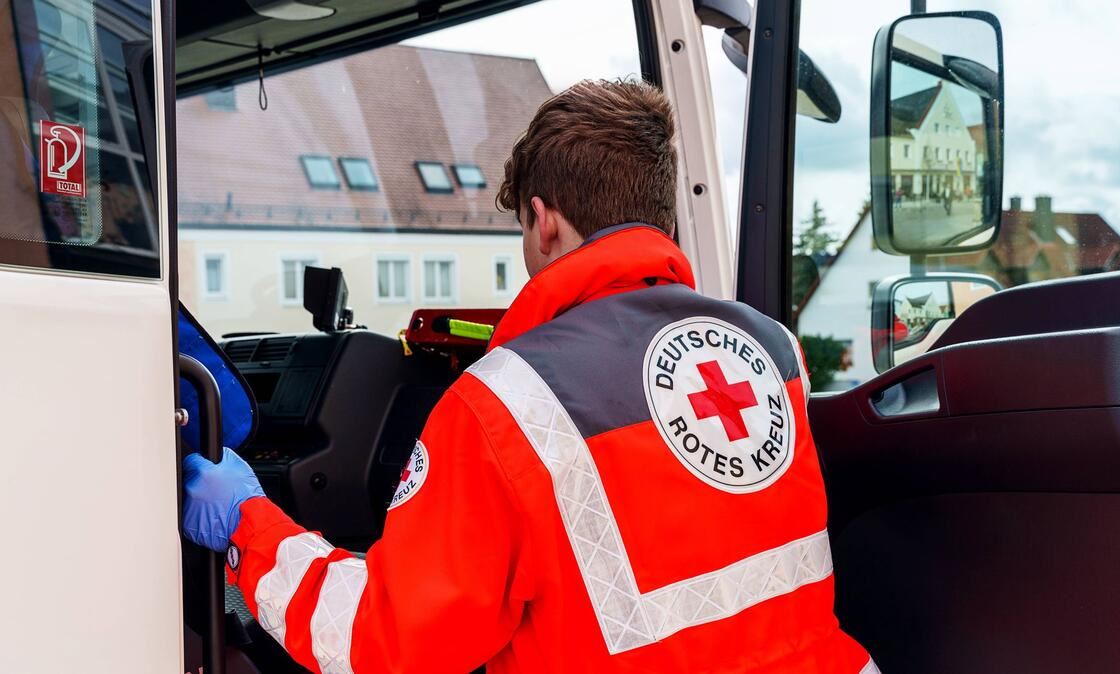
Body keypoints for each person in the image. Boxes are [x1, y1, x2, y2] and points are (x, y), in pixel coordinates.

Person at [183, 79, 875, 674]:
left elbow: (382, 641)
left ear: (543, 223)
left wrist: (248, 523)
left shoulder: (507, 401)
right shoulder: (772, 350)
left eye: (521, 228)